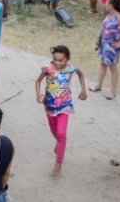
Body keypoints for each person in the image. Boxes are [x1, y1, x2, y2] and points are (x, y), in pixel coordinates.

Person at [35, 45, 87, 175]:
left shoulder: (71, 68)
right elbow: (38, 81)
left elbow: (81, 75)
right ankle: (58, 142)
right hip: (50, 106)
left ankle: (58, 163)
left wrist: (83, 90)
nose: (58, 63)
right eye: (55, 60)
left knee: (62, 133)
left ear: (67, 59)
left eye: (61, 60)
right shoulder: (48, 69)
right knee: (55, 131)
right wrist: (38, 94)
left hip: (65, 106)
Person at [91, 0, 120, 100]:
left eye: (106, 3)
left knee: (113, 68)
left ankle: (112, 91)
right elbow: (103, 30)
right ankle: (98, 85)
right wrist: (98, 43)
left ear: (111, 5)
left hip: (113, 47)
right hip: (105, 44)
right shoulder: (108, 15)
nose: (105, 4)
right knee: (103, 64)